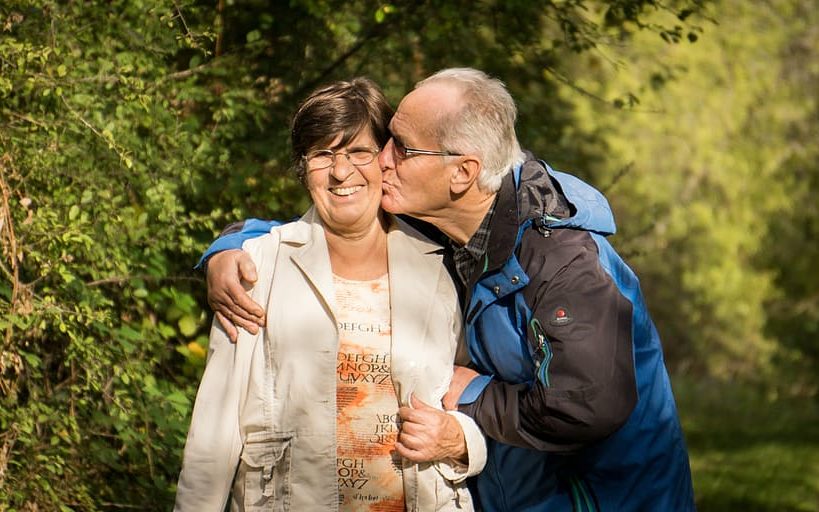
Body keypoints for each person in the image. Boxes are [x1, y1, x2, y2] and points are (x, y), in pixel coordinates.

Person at [204, 68, 696, 511]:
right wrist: (230, 246)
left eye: (401, 146)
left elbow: (587, 405)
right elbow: (324, 226)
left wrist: (474, 395)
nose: (381, 160)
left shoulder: (562, 262)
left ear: (462, 172)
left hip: (601, 498)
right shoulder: (450, 224)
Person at [174, 77, 486, 511]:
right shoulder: (258, 266)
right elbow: (214, 433)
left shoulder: (443, 268)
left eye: (359, 152)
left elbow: (478, 398)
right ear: (304, 167)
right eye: (323, 154)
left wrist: (464, 440)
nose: (341, 172)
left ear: (387, 158)